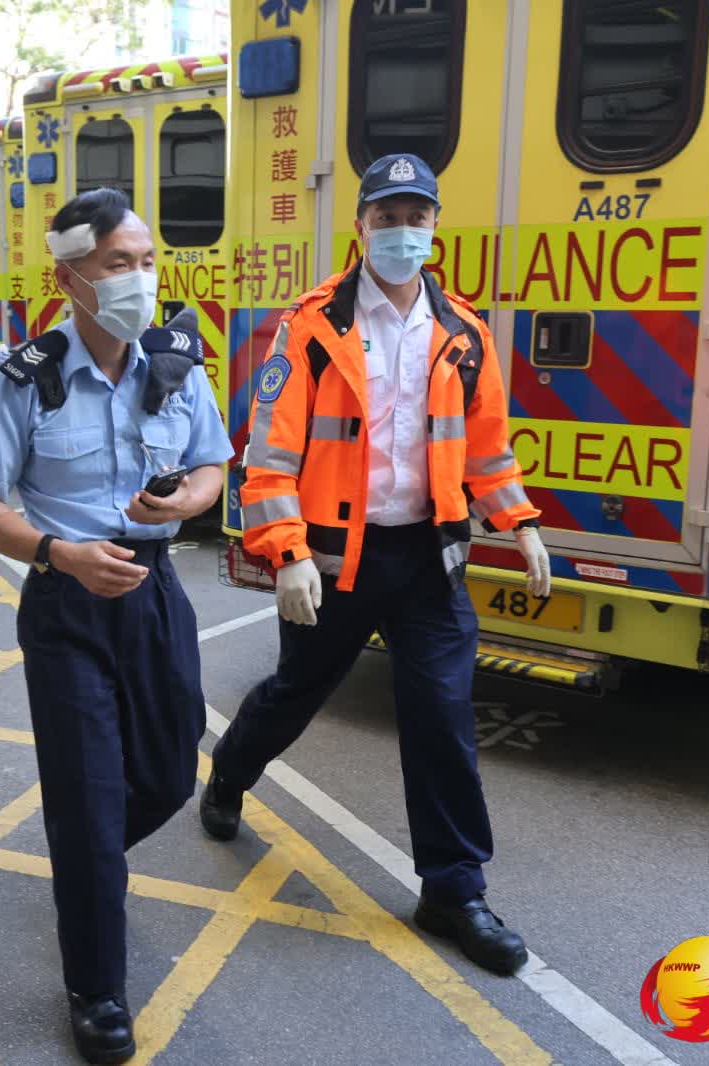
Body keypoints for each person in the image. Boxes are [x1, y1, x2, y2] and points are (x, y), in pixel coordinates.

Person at [199, 154, 550, 975]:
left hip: (428, 557)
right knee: (295, 694)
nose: (401, 232)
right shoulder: (312, 327)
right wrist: (287, 553)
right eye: (386, 218)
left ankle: (453, 890)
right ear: (360, 226)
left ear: (435, 227)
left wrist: (520, 523)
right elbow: (270, 456)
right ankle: (229, 774)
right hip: (333, 561)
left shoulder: (462, 332)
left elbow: (487, 449)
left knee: (442, 717)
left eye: (415, 218)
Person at [0, 187, 233, 1064]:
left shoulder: (176, 364)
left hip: (154, 593)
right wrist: (59, 554)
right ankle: (97, 987)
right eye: (117, 264)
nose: (138, 280)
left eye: (146, 262)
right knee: (85, 795)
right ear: (69, 278)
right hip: (66, 600)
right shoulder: (21, 376)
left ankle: (89, 863)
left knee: (170, 774)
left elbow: (212, 466)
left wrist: (184, 501)